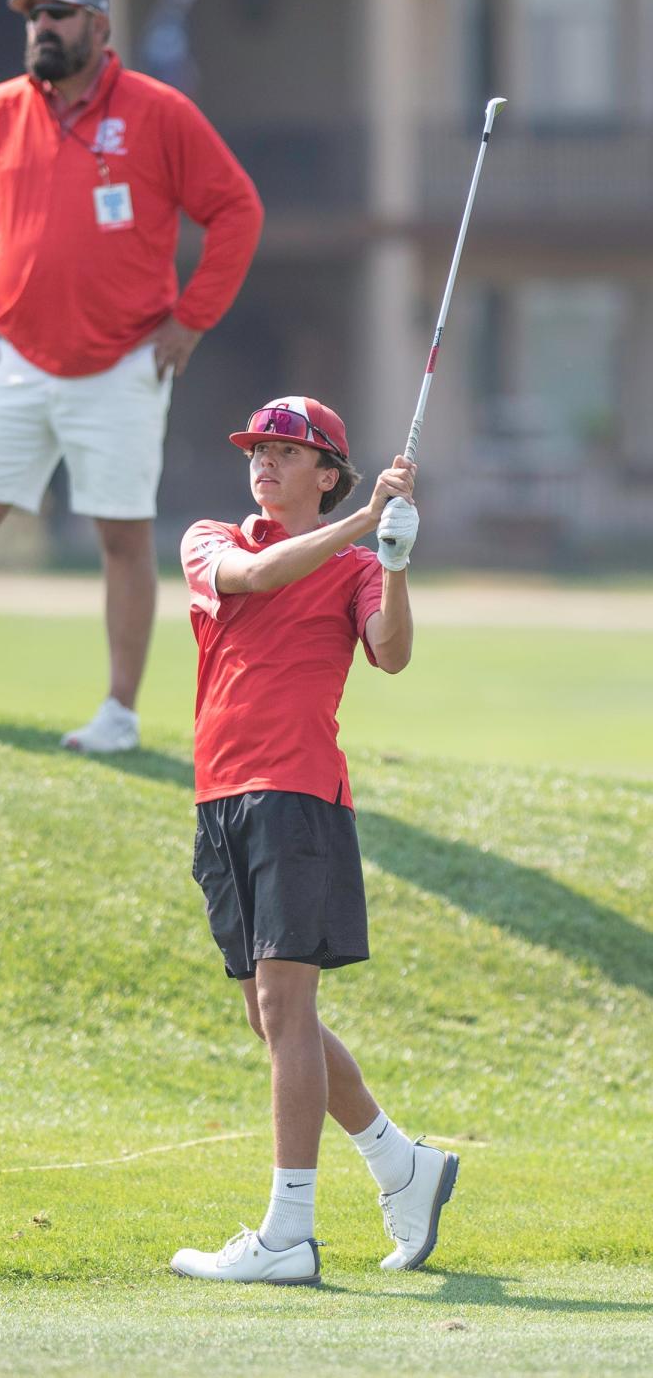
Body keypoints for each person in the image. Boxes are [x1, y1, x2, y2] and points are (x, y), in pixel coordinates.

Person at [0, 0, 262, 748]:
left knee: (121, 536)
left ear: (100, 29)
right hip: (17, 358)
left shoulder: (158, 111)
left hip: (125, 361)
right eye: (35, 13)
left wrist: (192, 319)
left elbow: (236, 210)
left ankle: (118, 713)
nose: (43, 25)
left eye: (61, 14)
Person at [172, 396, 454, 1285]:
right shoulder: (212, 538)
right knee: (273, 1016)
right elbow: (256, 581)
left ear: (327, 475)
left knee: (287, 1011)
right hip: (220, 796)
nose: (265, 460)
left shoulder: (361, 564)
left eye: (288, 452)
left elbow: (393, 652)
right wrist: (366, 523)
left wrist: (396, 559)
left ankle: (289, 1233)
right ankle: (399, 1164)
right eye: (258, 447)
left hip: (297, 793)